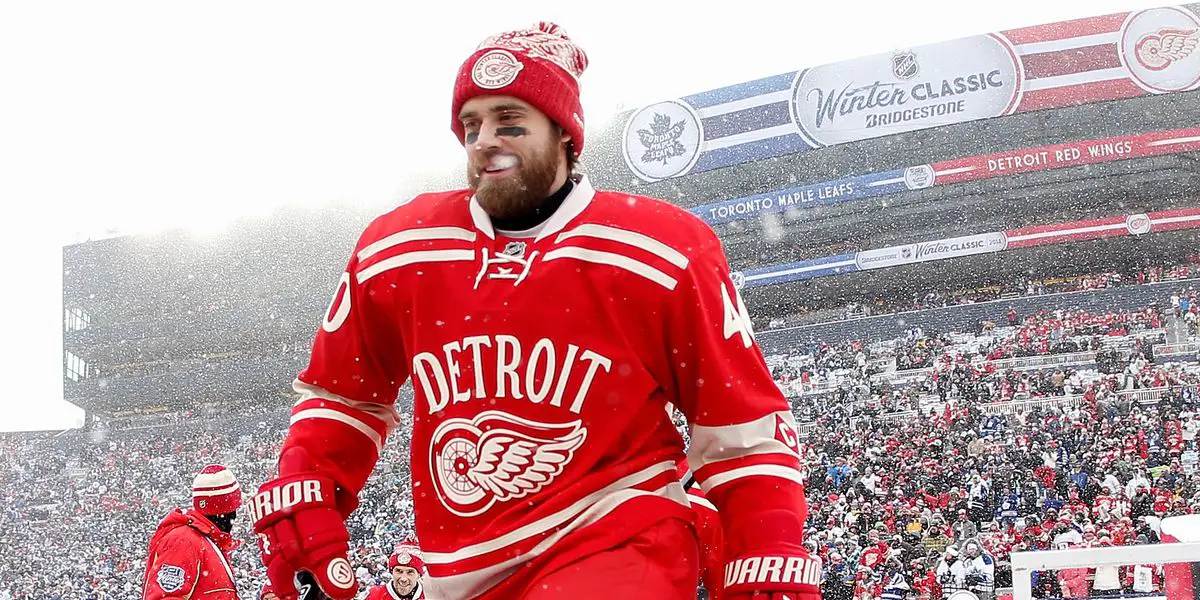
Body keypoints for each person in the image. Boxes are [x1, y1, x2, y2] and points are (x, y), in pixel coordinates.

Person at [247, 20, 817, 600]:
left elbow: (741, 428)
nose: (484, 140)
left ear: (566, 135)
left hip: (616, 535)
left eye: (511, 123)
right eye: (471, 126)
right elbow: (344, 393)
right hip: (456, 568)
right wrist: (309, 485)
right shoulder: (400, 247)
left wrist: (765, 543)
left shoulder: (662, 250)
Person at [142, 465, 243, 600]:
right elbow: (165, 597)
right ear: (222, 512)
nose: (235, 516)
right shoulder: (184, 541)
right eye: (233, 510)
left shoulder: (204, 542)